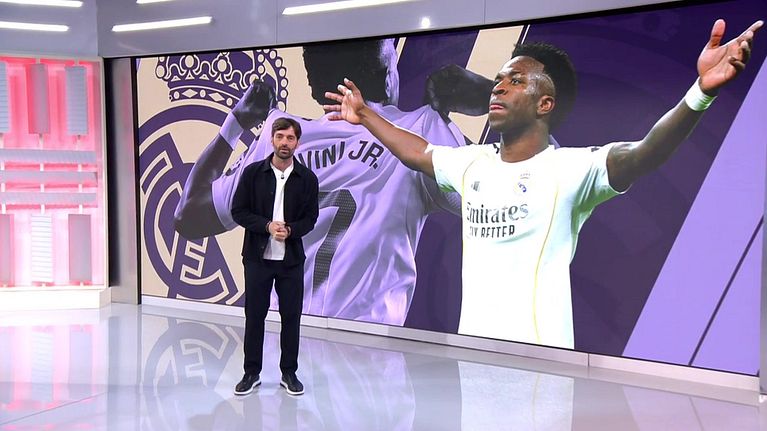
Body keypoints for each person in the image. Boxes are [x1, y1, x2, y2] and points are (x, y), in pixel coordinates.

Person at [324, 19, 763, 349]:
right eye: (498, 80)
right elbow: (417, 152)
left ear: (544, 104)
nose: (499, 88)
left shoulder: (572, 169)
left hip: (540, 368)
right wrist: (364, 114)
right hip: (472, 358)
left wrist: (701, 91)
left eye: (516, 81)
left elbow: (645, 151)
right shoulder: (472, 165)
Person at [173, 38, 492, 325]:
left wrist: (235, 123)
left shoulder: (280, 137)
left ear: (315, 85)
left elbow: (190, 216)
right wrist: (487, 96)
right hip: (362, 357)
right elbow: (497, 200)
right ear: (387, 74)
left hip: (279, 349)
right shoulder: (418, 131)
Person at [231, 117, 319, 396]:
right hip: (257, 259)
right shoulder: (252, 173)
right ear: (271, 139)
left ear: (297, 143)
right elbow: (238, 211)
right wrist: (267, 226)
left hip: (291, 261)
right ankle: (251, 373)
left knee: (291, 317)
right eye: (280, 137)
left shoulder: (307, 179)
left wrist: (290, 230)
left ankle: (289, 373)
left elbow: (311, 219)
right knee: (254, 316)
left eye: (290, 138)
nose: (284, 142)